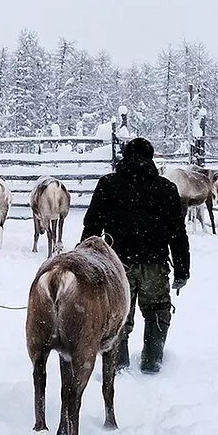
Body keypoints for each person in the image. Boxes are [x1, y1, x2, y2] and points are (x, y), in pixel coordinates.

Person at [80, 137, 190, 374]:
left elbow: (92, 225)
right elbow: (178, 234)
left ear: (125, 156)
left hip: (117, 266)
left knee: (119, 315)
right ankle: (152, 362)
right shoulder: (167, 189)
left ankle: (118, 367)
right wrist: (182, 270)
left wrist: (85, 263)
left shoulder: (108, 184)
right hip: (155, 264)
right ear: (151, 158)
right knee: (157, 312)